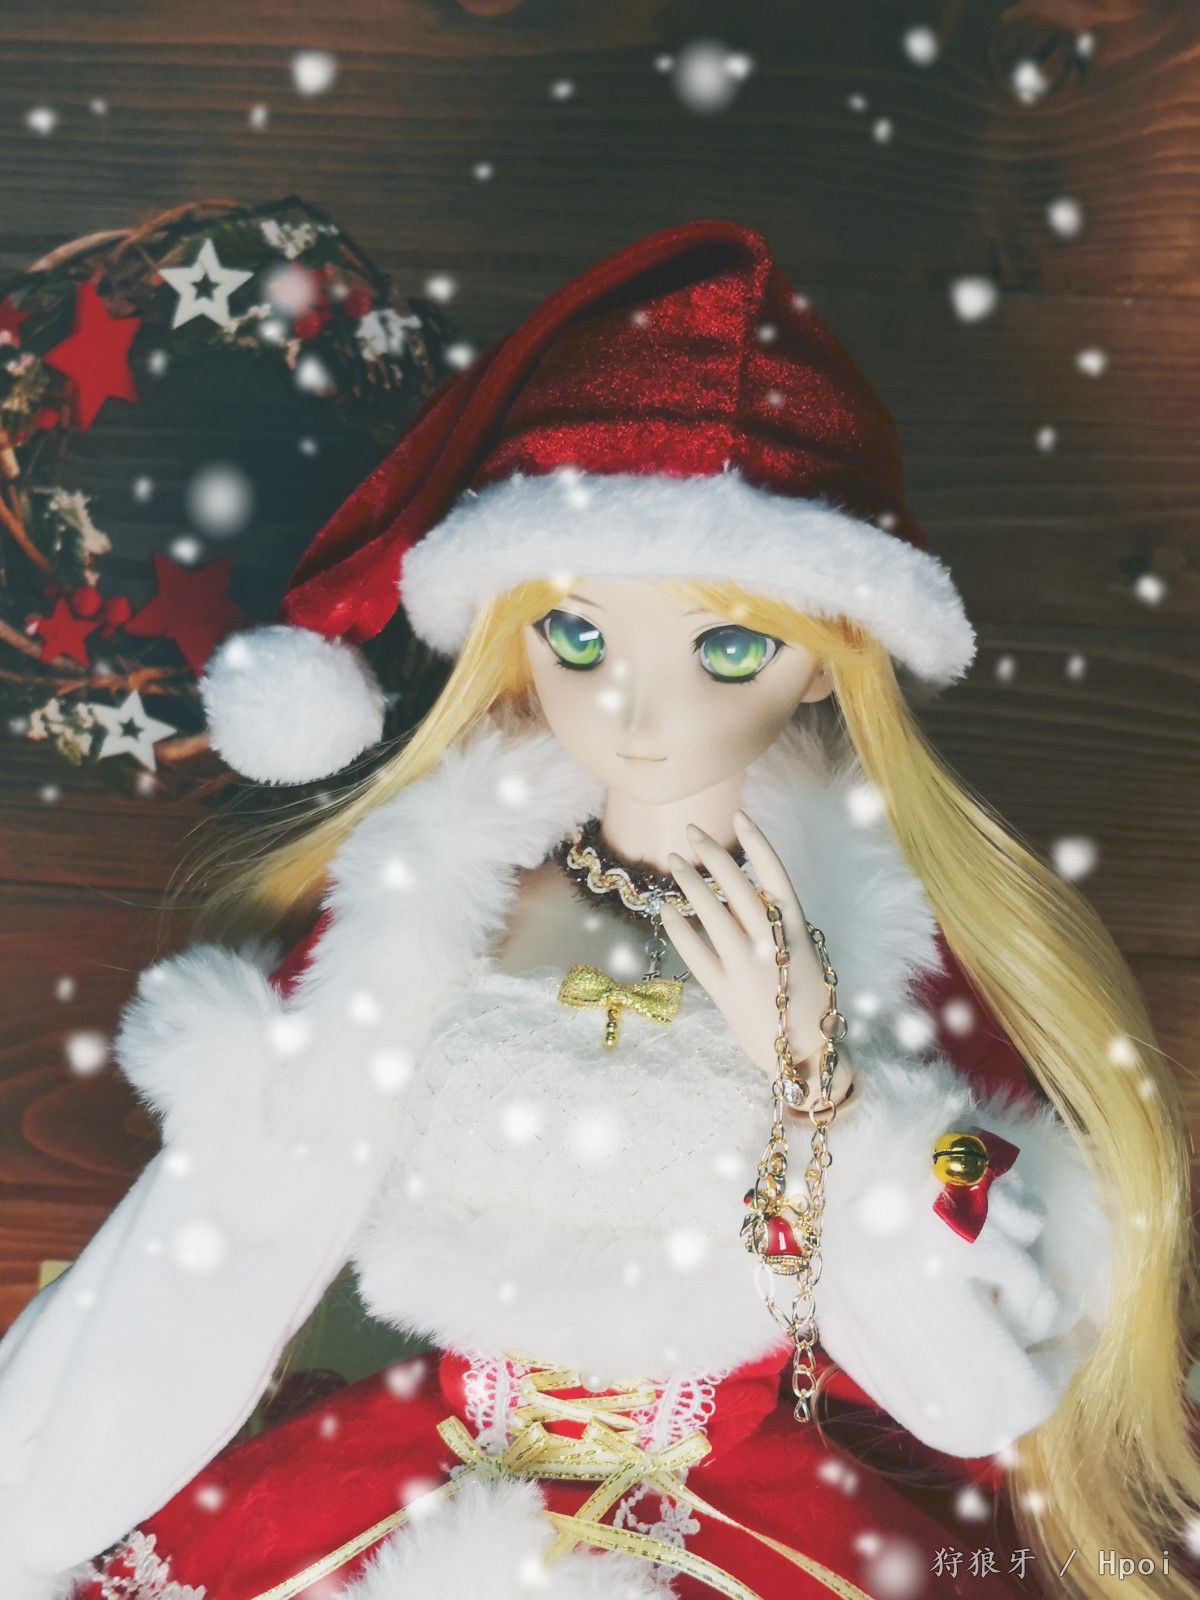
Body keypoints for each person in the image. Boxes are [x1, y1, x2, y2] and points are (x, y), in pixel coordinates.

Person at [0, 220, 1195, 1600]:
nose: (637, 709)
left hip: (751, 1513)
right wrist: (28, 1510)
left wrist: (821, 1082)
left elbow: (973, 1392)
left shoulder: (890, 953)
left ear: (828, 663)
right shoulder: (415, 910)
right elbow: (220, 1253)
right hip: (407, 1493)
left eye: (729, 646)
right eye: (578, 636)